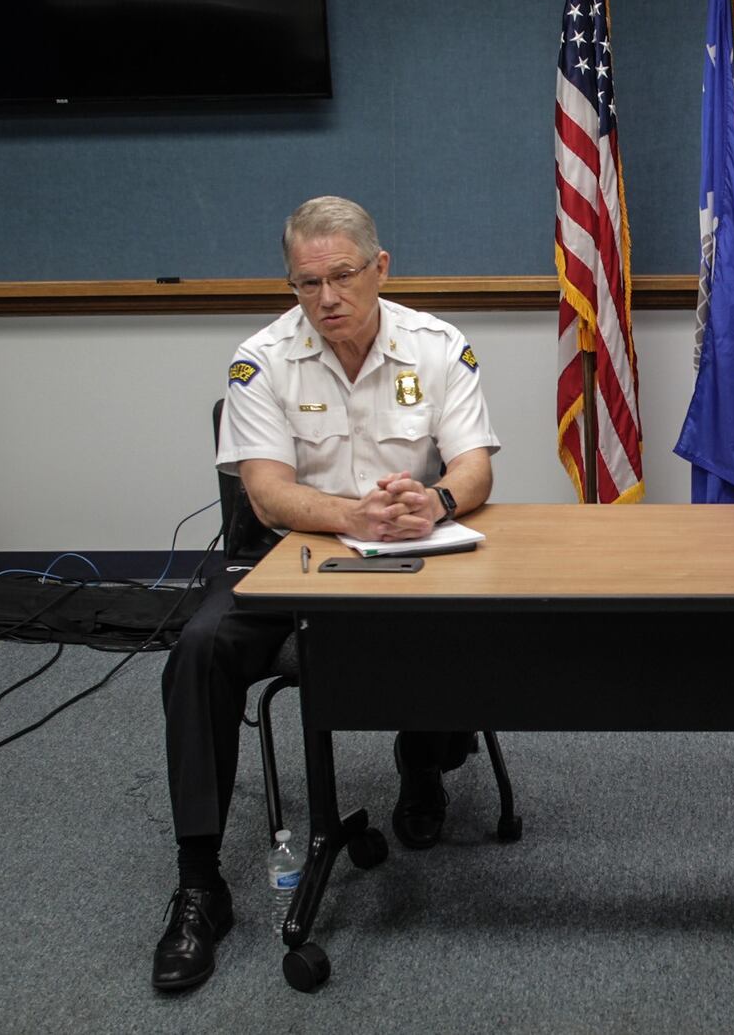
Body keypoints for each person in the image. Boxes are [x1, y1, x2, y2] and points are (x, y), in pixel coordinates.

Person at [153, 196, 500, 992]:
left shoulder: (439, 346)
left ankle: (425, 762)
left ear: (380, 268)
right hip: (293, 560)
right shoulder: (260, 359)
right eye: (307, 283)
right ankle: (199, 881)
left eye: (342, 276)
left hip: (415, 552)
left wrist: (437, 501)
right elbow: (269, 495)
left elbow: (476, 464)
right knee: (199, 651)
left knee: (460, 620)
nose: (326, 299)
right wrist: (352, 514)